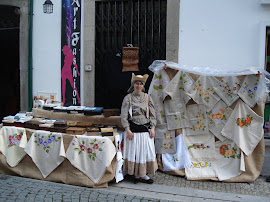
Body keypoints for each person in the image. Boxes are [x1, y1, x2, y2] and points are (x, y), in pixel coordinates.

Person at [121, 73, 158, 184]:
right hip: (133, 131)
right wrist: (127, 129)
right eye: (137, 83)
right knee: (135, 153)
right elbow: (123, 116)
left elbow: (153, 114)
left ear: (143, 86)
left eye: (140, 84)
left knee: (145, 153)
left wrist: (153, 128)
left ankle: (143, 175)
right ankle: (136, 175)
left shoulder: (147, 97)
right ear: (134, 85)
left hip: (145, 130)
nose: (138, 86)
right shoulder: (128, 98)